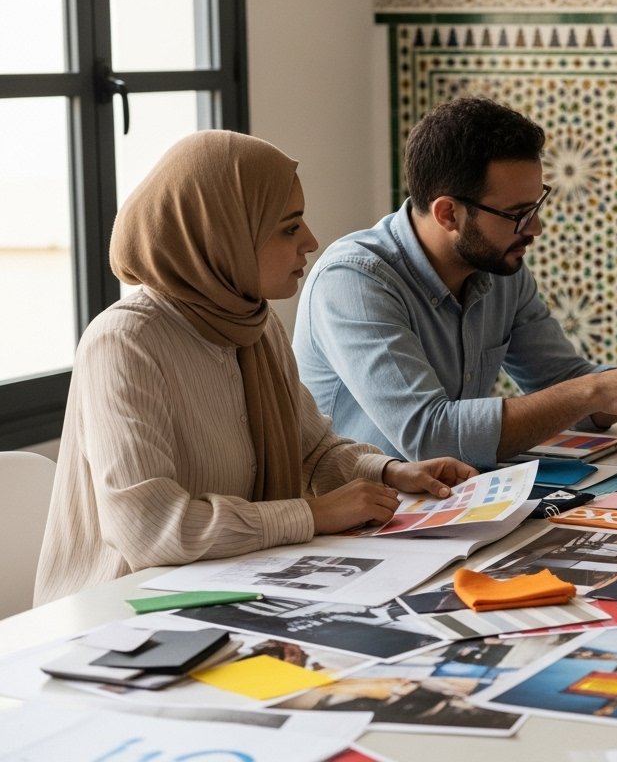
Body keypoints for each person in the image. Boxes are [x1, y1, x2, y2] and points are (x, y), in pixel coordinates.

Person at [34, 131, 475, 605]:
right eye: (289, 228)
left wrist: (390, 472)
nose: (311, 241)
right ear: (222, 237)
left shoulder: (253, 325)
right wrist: (311, 515)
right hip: (121, 614)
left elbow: (312, 450)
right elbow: (151, 529)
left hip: (229, 587)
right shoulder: (125, 342)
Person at [293, 96, 617, 469]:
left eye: (538, 204)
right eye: (518, 213)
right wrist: (595, 389)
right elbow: (430, 437)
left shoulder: (500, 270)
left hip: (451, 510)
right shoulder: (354, 281)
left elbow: (562, 382)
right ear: (448, 213)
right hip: (358, 527)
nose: (536, 227)